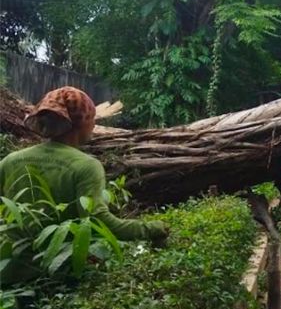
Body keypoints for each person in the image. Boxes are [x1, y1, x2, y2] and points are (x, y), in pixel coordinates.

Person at [0, 86, 168, 285]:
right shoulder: (87, 166)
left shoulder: (10, 161)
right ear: (82, 122)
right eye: (93, 119)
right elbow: (98, 221)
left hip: (10, 270)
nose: (94, 124)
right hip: (58, 274)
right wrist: (151, 229)